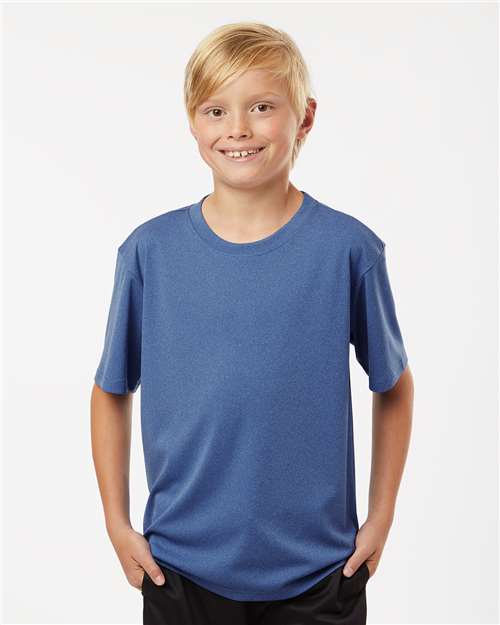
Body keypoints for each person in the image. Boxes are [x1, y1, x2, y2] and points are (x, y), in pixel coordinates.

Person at [91, 21, 414, 625]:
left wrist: (381, 516)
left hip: (320, 573)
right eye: (216, 110)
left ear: (305, 117)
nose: (237, 128)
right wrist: (116, 521)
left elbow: (393, 385)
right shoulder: (148, 253)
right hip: (179, 570)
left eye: (261, 107)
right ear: (193, 124)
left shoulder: (349, 250)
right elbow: (111, 390)